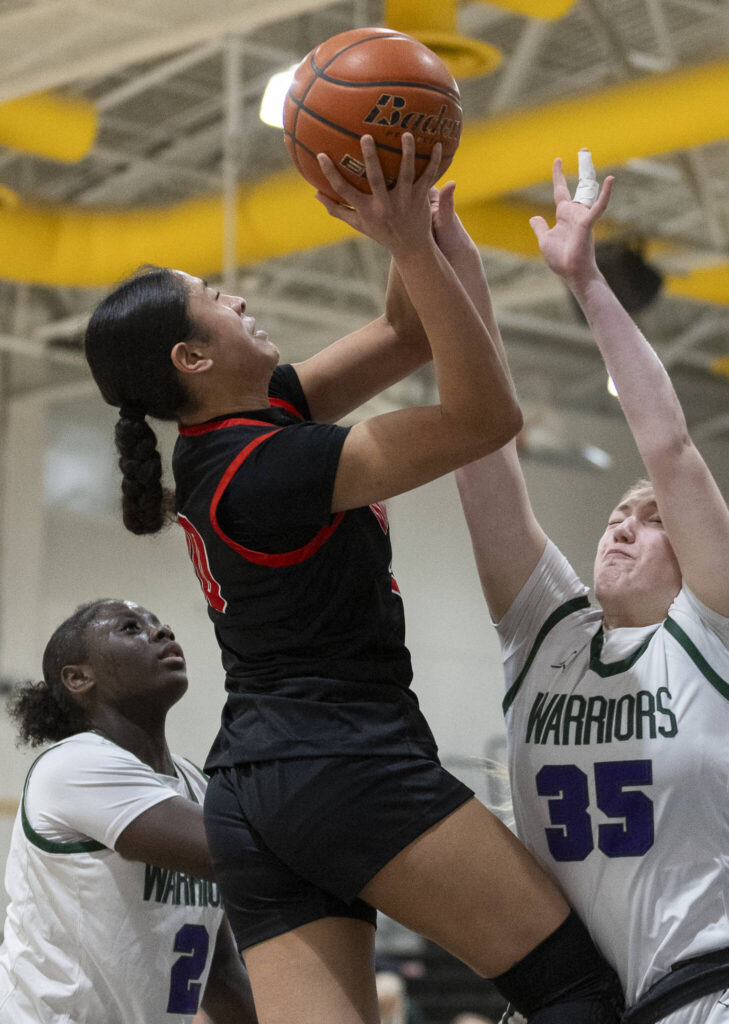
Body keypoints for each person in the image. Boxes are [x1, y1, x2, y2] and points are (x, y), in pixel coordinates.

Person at [84, 133, 624, 1024]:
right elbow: (483, 417)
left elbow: (407, 332)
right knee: (574, 990)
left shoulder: (249, 427)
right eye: (213, 299)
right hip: (346, 763)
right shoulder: (271, 468)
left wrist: (405, 217)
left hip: (254, 792)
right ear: (192, 359)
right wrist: (409, 246)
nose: (239, 295)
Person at [456, 151, 729, 1024]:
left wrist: (585, 283)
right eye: (617, 514)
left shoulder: (708, 633)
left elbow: (669, 449)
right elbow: (476, 450)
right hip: (591, 1004)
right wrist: (437, 265)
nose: (621, 524)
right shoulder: (547, 637)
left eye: (650, 522)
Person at [0, 598, 257, 1024]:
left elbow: (220, 972)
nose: (162, 632)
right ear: (79, 678)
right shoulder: (74, 764)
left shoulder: (195, 785)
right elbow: (239, 854)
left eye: (159, 623)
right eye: (131, 628)